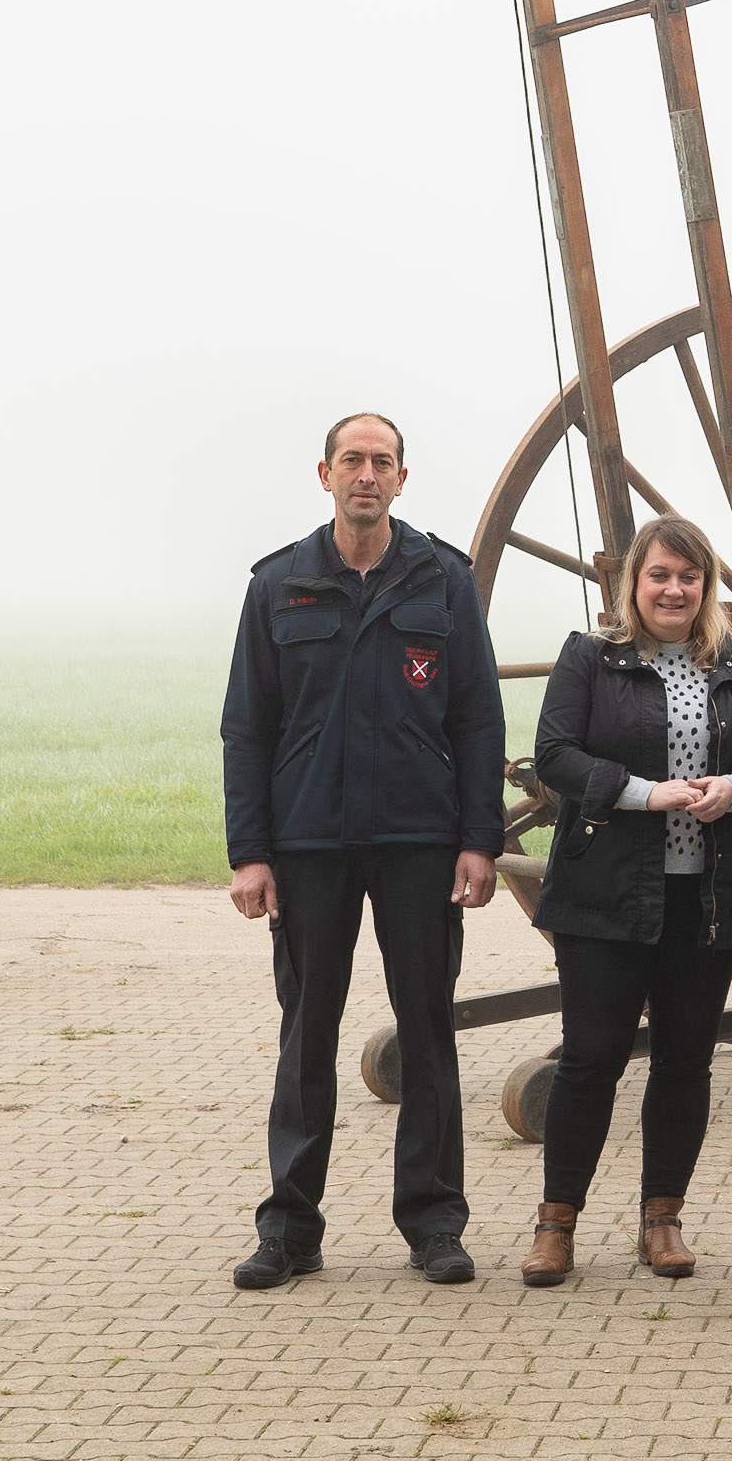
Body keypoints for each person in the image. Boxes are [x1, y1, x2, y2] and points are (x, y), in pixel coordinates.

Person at [221, 412, 506, 1291]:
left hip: (421, 843)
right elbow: (247, 729)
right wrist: (251, 853)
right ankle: (290, 1230)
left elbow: (478, 719)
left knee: (427, 1033)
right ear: (325, 473)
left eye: (383, 462)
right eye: (354, 460)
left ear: (402, 480)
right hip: (310, 845)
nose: (367, 475)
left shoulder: (443, 579)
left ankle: (433, 1226)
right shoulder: (280, 586)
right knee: (307, 1036)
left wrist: (479, 840)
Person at [519, 515, 732, 1284]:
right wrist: (644, 794)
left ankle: (661, 1221)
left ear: (706, 589)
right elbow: (555, 756)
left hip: (706, 899)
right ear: (633, 583)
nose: (674, 590)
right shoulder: (590, 658)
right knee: (590, 1059)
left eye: (689, 577)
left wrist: (731, 788)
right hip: (605, 893)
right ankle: (556, 1225)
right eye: (660, 576)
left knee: (684, 1062)